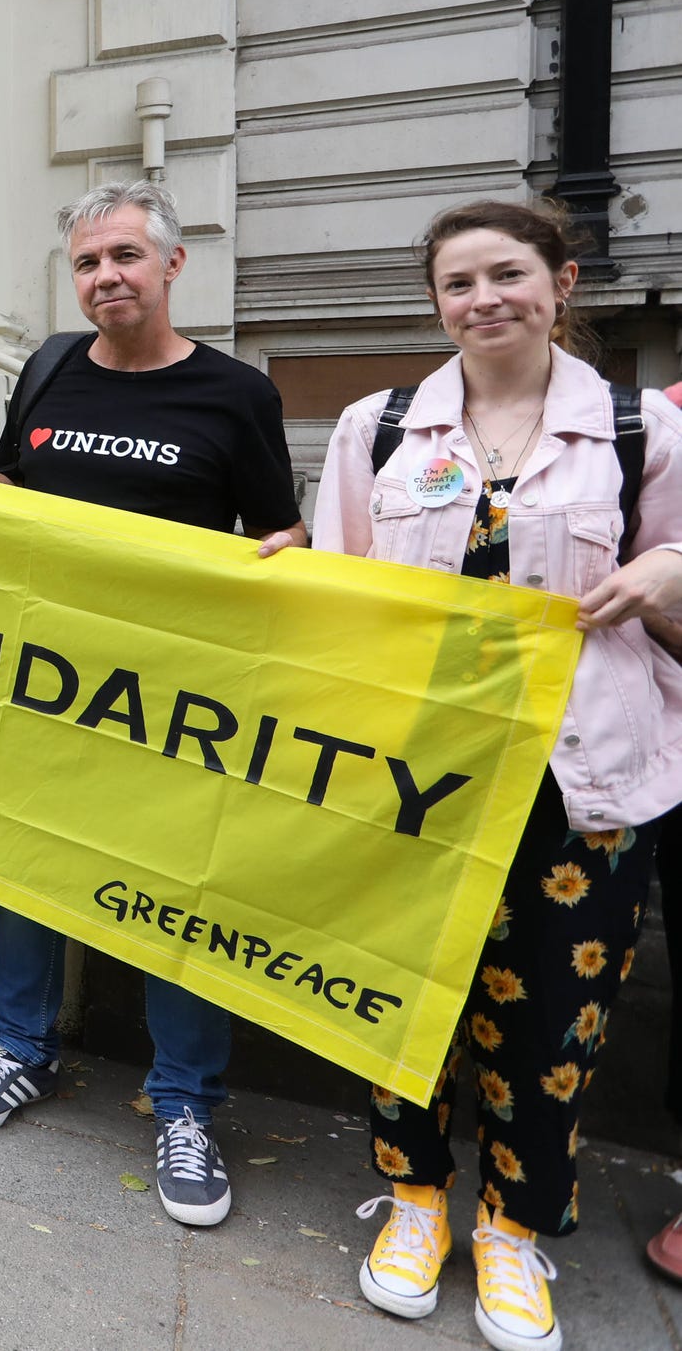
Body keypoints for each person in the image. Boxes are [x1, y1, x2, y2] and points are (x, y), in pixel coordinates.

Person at [319, 199, 682, 1351]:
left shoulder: (638, 430)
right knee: (399, 995)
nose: (484, 299)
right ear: (435, 302)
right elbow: (336, 591)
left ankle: (515, 1228)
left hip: (579, 781)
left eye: (507, 274)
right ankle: (416, 1198)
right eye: (458, 283)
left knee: (553, 1018)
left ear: (559, 281)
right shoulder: (377, 427)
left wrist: (666, 569)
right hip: (415, 773)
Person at [0, 181, 307, 1229]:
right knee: (26, 863)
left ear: (170, 266)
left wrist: (290, 563)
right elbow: (8, 495)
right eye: (88, 262)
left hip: (172, 695)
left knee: (172, 892)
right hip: (42, 677)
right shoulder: (48, 367)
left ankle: (184, 1100)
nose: (105, 278)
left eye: (124, 258)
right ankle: (21, 1049)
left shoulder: (236, 395)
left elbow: (274, 541)